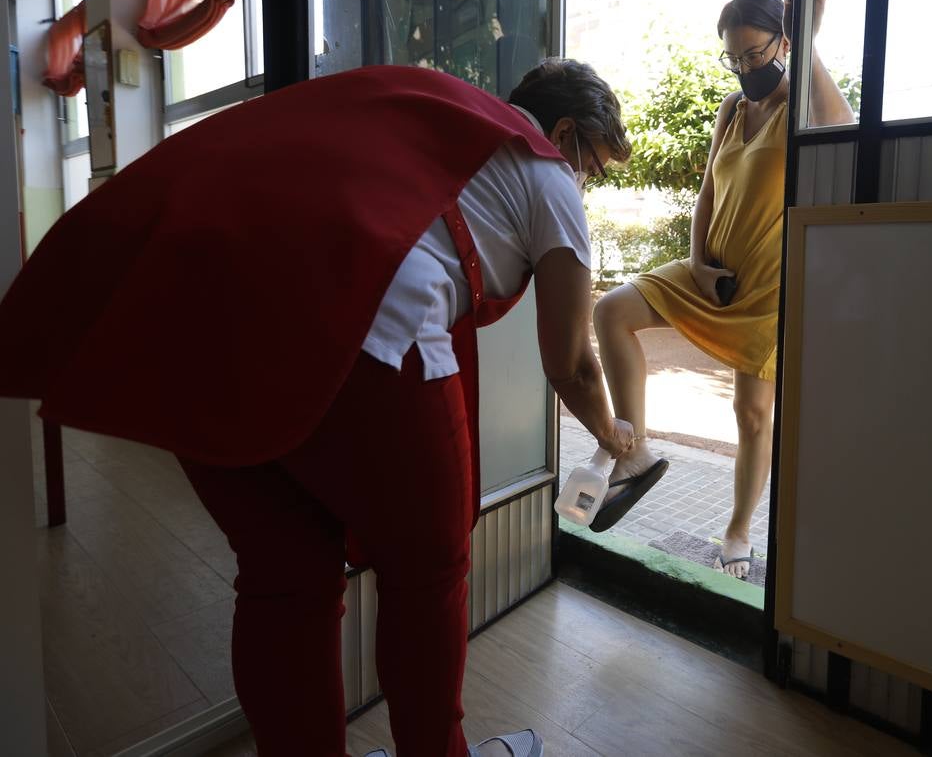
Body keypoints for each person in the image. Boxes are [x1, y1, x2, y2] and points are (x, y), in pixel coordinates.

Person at [0, 59, 634, 757]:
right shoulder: (542, 168)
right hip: (363, 331)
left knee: (283, 580)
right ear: (564, 131)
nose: (585, 185)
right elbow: (571, 363)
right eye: (593, 167)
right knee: (429, 573)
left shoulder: (423, 118)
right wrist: (615, 434)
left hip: (193, 319)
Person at [591, 0, 855, 578]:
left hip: (767, 286)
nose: (743, 68)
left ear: (782, 44)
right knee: (611, 312)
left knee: (753, 414)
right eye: (732, 58)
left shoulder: (801, 109)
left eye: (755, 55)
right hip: (711, 271)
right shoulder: (732, 111)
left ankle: (737, 532)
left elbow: (842, 123)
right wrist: (697, 264)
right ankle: (636, 455)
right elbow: (708, 191)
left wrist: (810, 37)